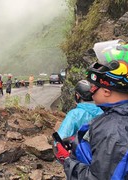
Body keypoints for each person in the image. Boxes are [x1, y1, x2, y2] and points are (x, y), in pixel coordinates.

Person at [54, 40, 128, 179]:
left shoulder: (112, 131)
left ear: (106, 91)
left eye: (94, 86)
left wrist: (67, 161)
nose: (91, 92)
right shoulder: (115, 118)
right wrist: (78, 141)